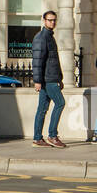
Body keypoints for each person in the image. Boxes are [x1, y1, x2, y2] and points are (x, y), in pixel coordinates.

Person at [31, 11, 66, 148]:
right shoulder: (41, 37)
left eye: (54, 20)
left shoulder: (49, 36)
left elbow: (53, 60)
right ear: (44, 20)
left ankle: (37, 138)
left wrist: (60, 78)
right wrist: (37, 81)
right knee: (60, 103)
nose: (52, 22)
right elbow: (37, 61)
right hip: (47, 79)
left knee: (42, 109)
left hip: (51, 77)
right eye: (50, 20)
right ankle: (52, 135)